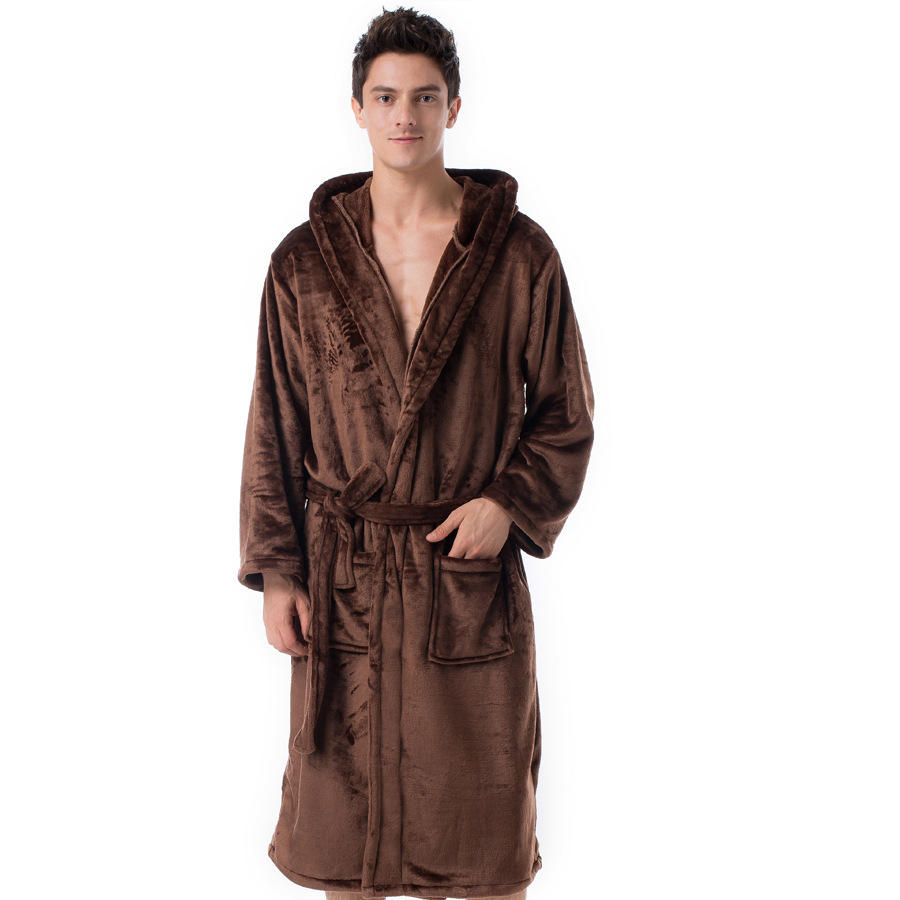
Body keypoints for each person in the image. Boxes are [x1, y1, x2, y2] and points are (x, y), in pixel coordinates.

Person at [237, 7, 594, 899]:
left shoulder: (518, 255)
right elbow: (275, 424)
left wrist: (509, 502)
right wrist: (279, 572)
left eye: (425, 97)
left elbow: (566, 410)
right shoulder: (303, 263)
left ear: (454, 108)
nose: (406, 115)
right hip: (345, 580)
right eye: (388, 96)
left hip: (461, 577)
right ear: (357, 107)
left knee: (483, 838)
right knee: (344, 843)